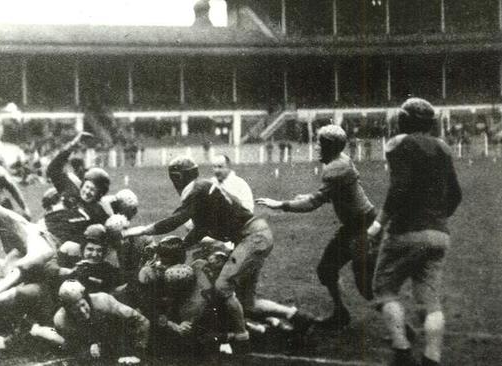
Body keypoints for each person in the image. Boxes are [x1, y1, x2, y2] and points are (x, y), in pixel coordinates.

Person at [123, 156, 314, 352]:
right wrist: (179, 245)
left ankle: (241, 339)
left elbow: (176, 220)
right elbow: (201, 229)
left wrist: (142, 230)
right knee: (247, 302)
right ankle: (297, 317)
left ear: (177, 177)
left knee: (222, 287)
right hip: (255, 236)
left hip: (252, 237)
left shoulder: (196, 190)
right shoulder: (204, 187)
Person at [367, 98, 462, 366]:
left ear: (403, 120)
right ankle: (432, 357)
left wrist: (378, 224)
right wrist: (438, 218)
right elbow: (455, 194)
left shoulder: (399, 144)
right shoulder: (443, 147)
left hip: (405, 232)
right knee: (430, 301)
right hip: (439, 234)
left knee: (385, 289)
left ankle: (402, 350)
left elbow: (399, 188)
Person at [256, 124, 378, 330]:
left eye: (321, 143)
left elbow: (314, 203)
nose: (317, 147)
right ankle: (341, 313)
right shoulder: (339, 162)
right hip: (354, 225)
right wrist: (312, 197)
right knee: (327, 270)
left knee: (365, 286)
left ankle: (403, 327)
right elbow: (337, 195)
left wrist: (282, 204)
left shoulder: (335, 168)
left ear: (330, 146)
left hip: (362, 227)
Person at [53, 280, 149, 364]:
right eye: (75, 309)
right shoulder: (61, 320)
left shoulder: (103, 301)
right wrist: (88, 350)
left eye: (83, 304)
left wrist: (139, 350)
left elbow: (142, 321)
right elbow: (73, 347)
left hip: (119, 331)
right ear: (68, 311)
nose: (82, 311)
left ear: (87, 299)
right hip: (99, 341)